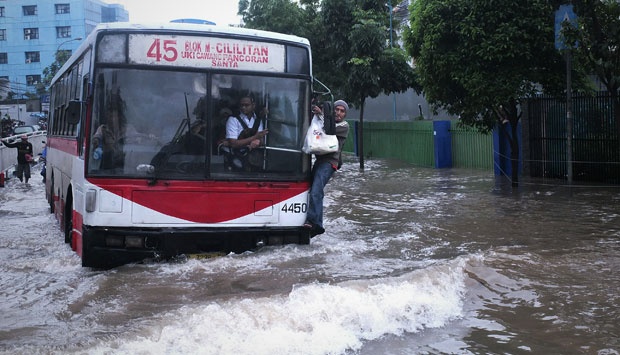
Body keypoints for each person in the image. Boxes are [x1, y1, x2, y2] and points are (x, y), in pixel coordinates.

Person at [304, 100, 350, 237]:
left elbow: (330, 129)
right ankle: (318, 223)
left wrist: (321, 114)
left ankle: (313, 222)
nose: (339, 113)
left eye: (342, 111)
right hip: (320, 160)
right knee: (314, 189)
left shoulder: (344, 126)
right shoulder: (324, 120)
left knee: (316, 189)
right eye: (337, 110)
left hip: (330, 162)